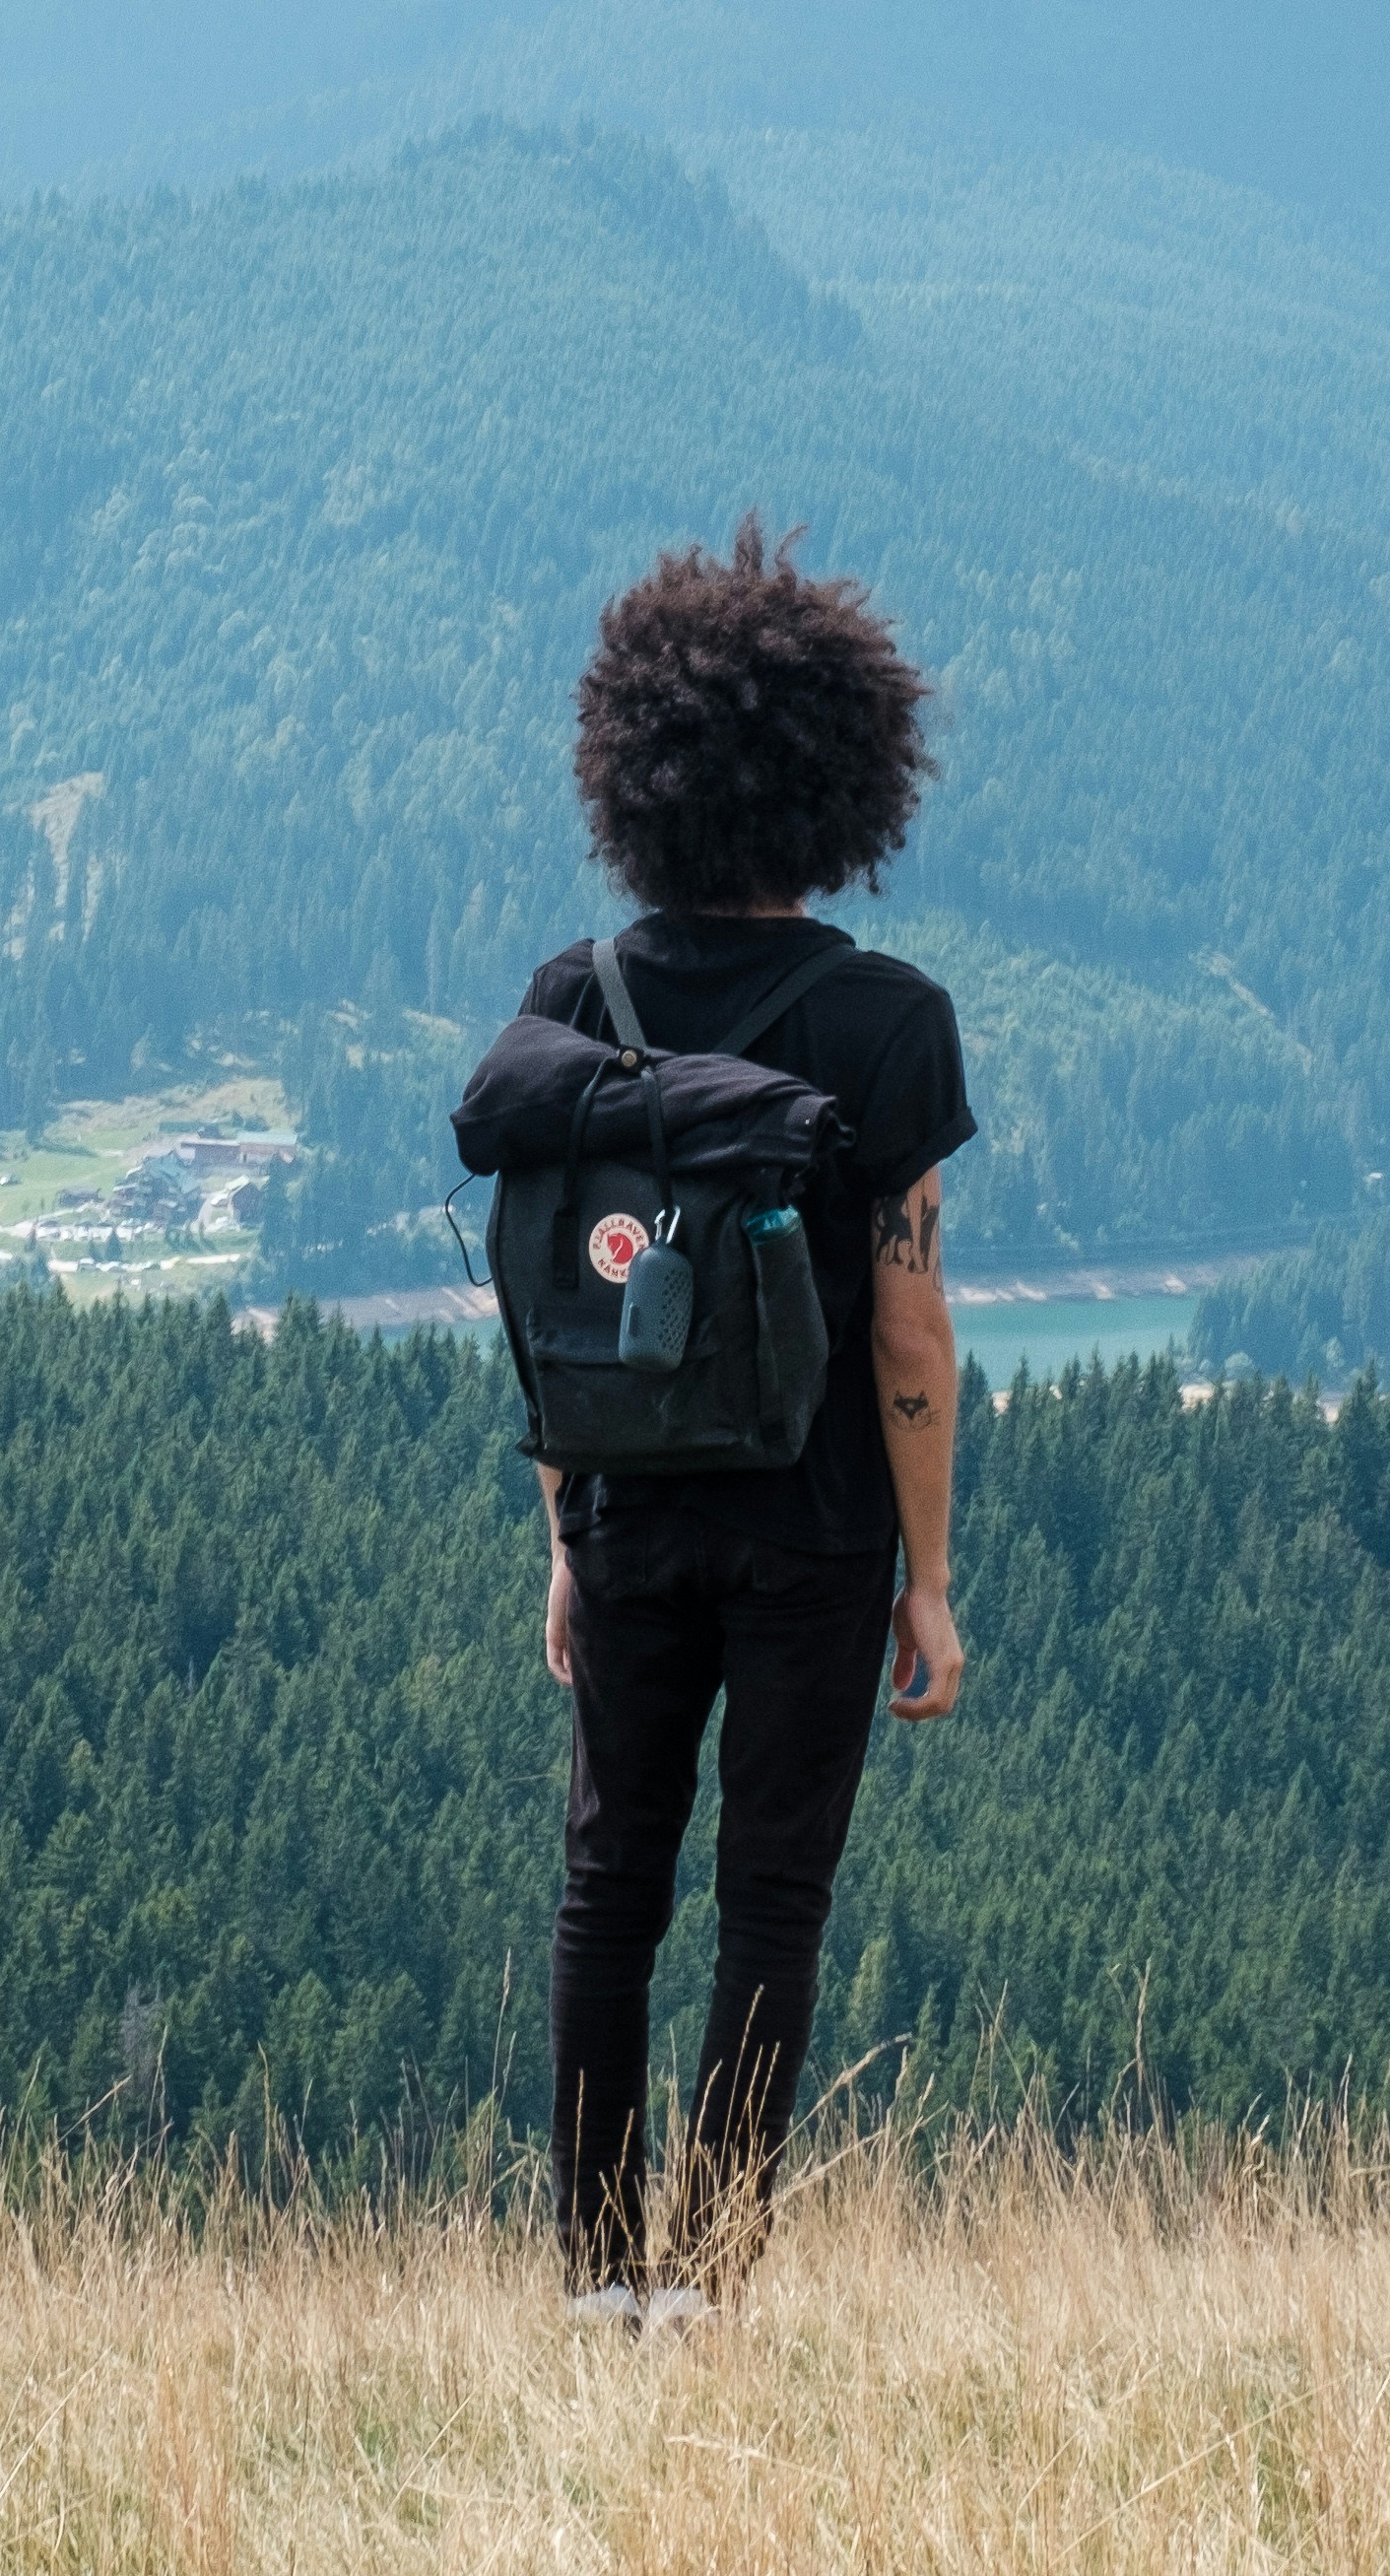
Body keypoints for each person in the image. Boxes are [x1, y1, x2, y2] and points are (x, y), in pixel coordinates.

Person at [529, 520, 973, 2332]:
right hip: (814, 1528)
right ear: (841, 787)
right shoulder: (888, 1022)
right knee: (767, 1903)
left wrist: (566, 1534)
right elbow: (909, 1321)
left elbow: (556, 1299)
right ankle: (708, 2292)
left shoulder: (581, 1002)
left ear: (640, 777)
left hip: (629, 1507)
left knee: (608, 1887)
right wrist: (927, 1577)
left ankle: (593, 2288)